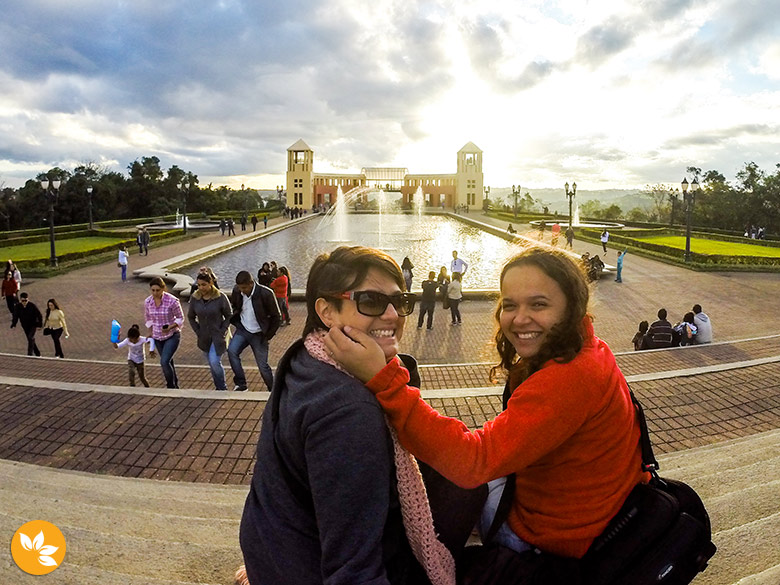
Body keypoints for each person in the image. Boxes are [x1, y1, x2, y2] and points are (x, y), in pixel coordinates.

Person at [326, 246, 648, 562]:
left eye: (538, 304)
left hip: (554, 535)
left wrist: (385, 381)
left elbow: (473, 462)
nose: (520, 319)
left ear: (571, 307)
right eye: (509, 305)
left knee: (447, 488)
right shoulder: (590, 347)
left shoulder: (568, 378)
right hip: (594, 508)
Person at [239, 245, 468, 585]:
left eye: (400, 300)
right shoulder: (349, 412)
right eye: (371, 301)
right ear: (326, 310)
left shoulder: (305, 356)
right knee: (473, 489)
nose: (393, 315)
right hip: (302, 568)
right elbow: (353, 569)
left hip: (273, 549)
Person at [228, 271, 281, 391]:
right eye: (240, 287)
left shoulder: (266, 293)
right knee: (232, 351)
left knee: (263, 366)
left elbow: (277, 317)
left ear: (251, 283)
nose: (242, 290)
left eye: (244, 288)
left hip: (259, 334)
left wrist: (268, 335)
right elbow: (235, 306)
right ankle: (241, 384)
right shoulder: (237, 291)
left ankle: (273, 390)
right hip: (243, 329)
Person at [188, 272, 232, 391]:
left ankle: (222, 387)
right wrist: (198, 330)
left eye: (204, 285)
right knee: (211, 364)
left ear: (211, 283)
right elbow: (191, 316)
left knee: (214, 361)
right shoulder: (195, 298)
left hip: (218, 335)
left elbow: (229, 315)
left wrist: (223, 329)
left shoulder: (220, 297)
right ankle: (218, 386)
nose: (201, 288)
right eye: (199, 285)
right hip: (204, 337)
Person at [144, 277, 185, 388]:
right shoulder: (148, 302)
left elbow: (180, 318)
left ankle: (170, 386)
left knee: (164, 361)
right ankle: (175, 384)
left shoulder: (172, 301)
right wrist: (150, 332)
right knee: (168, 361)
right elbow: (148, 319)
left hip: (172, 335)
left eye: (158, 290)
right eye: (153, 290)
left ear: (163, 289)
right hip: (157, 336)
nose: (155, 293)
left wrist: (171, 326)